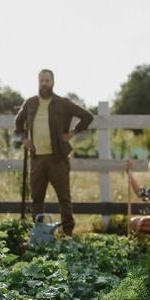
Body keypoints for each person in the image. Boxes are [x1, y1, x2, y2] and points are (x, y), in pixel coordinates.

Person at [14, 69, 94, 236]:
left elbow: (87, 116)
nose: (44, 84)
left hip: (58, 158)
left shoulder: (63, 103)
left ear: (53, 82)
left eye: (47, 81)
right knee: (37, 198)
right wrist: (24, 139)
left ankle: (67, 232)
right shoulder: (30, 103)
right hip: (37, 159)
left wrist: (72, 133)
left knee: (64, 198)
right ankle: (40, 233)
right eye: (41, 80)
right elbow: (18, 122)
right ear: (38, 82)